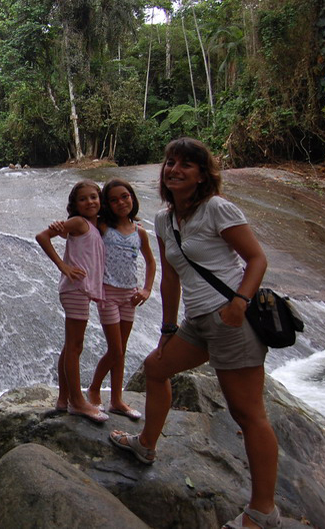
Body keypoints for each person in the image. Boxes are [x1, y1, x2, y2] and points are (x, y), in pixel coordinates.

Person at [109, 138, 280, 529]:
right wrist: (168, 327)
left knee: (248, 413)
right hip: (196, 322)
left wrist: (239, 302)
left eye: (187, 164)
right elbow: (170, 277)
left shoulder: (217, 208)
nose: (174, 169)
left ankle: (263, 511)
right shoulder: (164, 220)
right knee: (156, 367)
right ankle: (146, 445)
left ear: (203, 174)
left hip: (230, 320)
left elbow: (257, 258)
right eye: (170, 162)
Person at [36, 180, 109, 423]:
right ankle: (77, 402)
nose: (90, 202)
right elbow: (42, 236)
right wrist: (63, 265)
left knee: (70, 346)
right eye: (83, 199)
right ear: (75, 205)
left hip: (80, 289)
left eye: (94, 197)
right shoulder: (79, 222)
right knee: (75, 346)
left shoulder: (93, 225)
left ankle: (63, 399)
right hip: (75, 288)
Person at [86, 179, 156, 419]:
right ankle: (94, 389)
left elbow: (150, 261)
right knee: (115, 349)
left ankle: (117, 399)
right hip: (108, 293)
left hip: (129, 295)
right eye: (114, 200)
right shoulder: (103, 226)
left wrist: (146, 289)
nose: (121, 203)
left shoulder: (140, 232)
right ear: (107, 204)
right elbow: (81, 224)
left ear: (132, 198)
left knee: (121, 349)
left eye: (124, 196)